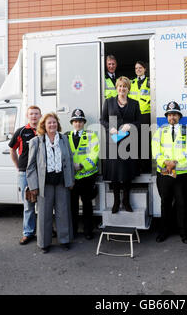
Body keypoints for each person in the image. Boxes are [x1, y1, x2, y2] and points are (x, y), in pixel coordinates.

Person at [26, 113, 75, 253]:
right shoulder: (36, 141)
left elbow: (70, 161)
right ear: (44, 125)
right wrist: (33, 186)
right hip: (44, 185)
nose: (52, 125)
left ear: (57, 124)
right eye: (49, 123)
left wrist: (71, 179)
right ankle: (44, 243)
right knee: (44, 215)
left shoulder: (64, 139)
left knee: (63, 213)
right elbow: (31, 166)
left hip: (61, 182)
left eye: (54, 122)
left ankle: (65, 240)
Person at [152, 101, 187, 244]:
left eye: (175, 114)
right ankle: (164, 231)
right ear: (167, 117)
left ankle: (184, 232)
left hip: (182, 174)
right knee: (165, 202)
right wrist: (165, 163)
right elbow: (155, 150)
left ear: (179, 116)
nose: (172, 117)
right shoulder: (160, 131)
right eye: (170, 115)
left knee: (182, 203)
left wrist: (175, 163)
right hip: (164, 172)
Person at [100, 76, 140, 213]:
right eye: (120, 86)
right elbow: (102, 120)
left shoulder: (135, 104)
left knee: (127, 174)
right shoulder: (109, 102)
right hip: (113, 142)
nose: (122, 89)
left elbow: (140, 123)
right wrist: (109, 128)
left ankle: (126, 201)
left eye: (125, 87)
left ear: (128, 89)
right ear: (117, 88)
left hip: (129, 144)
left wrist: (130, 125)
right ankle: (116, 202)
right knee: (115, 174)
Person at [9, 105, 42, 245]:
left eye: (36, 114)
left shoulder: (44, 131)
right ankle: (28, 232)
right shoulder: (21, 131)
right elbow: (12, 150)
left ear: (40, 115)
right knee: (28, 204)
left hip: (42, 172)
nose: (34, 116)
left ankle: (44, 229)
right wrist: (19, 167)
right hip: (25, 173)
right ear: (28, 116)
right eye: (31, 114)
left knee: (44, 203)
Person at [66, 109, 99, 240]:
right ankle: (73, 230)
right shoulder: (66, 136)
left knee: (87, 205)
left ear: (84, 122)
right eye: (75, 121)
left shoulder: (92, 136)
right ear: (72, 123)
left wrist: (81, 165)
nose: (78, 123)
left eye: (80, 121)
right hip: (72, 177)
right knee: (72, 205)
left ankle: (88, 230)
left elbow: (94, 154)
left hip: (87, 176)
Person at [128, 61, 151, 173]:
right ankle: (136, 168)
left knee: (145, 142)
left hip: (145, 116)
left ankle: (145, 168)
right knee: (134, 141)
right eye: (136, 68)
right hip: (133, 116)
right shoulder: (131, 82)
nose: (138, 70)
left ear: (145, 69)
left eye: (140, 68)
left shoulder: (150, 82)